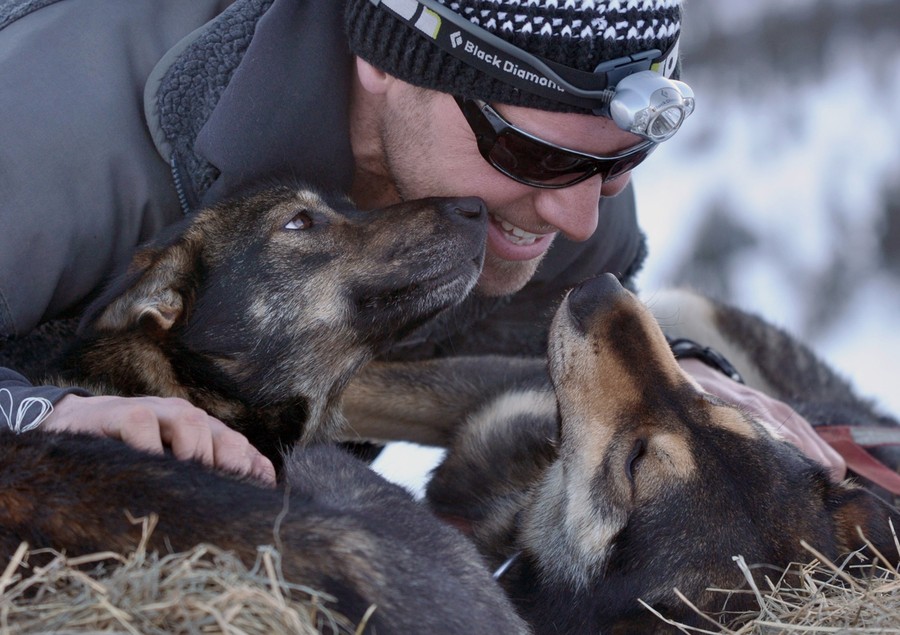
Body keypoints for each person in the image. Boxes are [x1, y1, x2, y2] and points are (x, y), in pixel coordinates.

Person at [0, 0, 844, 482]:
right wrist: (47, 408)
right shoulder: (56, 144)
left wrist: (670, 378)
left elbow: (546, 377)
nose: (578, 218)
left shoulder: (563, 209)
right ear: (388, 58)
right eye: (532, 153)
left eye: (624, 162)